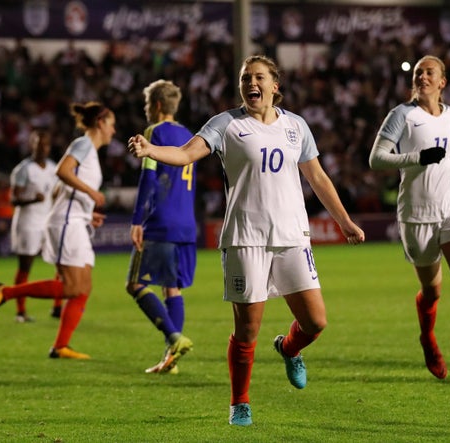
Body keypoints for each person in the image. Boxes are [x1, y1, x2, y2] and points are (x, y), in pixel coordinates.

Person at [128, 55, 365, 426]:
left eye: (258, 78)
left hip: (291, 237)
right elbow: (187, 153)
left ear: (274, 86)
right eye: (245, 78)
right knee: (247, 330)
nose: (251, 84)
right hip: (245, 239)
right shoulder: (226, 124)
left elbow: (317, 178)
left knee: (316, 322)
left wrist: (344, 221)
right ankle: (240, 403)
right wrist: (151, 151)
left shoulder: (296, 126)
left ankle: (289, 349)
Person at [368, 55, 450, 385]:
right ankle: (428, 339)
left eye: (428, 72)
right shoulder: (402, 116)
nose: (422, 76)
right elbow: (376, 159)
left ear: (442, 82)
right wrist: (417, 158)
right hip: (417, 212)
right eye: (418, 72)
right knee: (432, 292)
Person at [0, 102, 115, 360]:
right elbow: (62, 172)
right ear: (100, 123)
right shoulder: (83, 144)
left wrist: (88, 214)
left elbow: (57, 189)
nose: (113, 130)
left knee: (83, 288)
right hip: (66, 224)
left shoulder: (90, 152)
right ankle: (6, 293)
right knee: (70, 288)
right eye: (111, 124)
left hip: (75, 221)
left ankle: (61, 346)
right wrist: (91, 193)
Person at [126, 80, 195, 375]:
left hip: (162, 221)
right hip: (187, 224)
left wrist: (137, 220)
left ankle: (174, 337)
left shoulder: (154, 133)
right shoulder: (189, 135)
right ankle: (171, 359)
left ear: (155, 105)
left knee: (135, 284)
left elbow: (149, 179)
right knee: (172, 288)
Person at [8, 128, 63, 323]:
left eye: (46, 144)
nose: (42, 147)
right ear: (31, 144)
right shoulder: (23, 169)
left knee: (60, 263)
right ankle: (20, 311)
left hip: (47, 221)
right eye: (38, 143)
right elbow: (13, 200)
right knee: (25, 266)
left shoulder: (53, 168)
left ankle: (57, 306)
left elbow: (56, 194)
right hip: (28, 222)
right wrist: (32, 199)